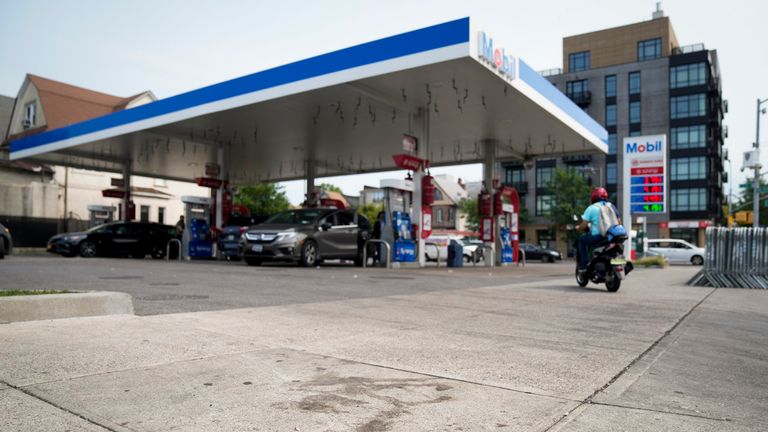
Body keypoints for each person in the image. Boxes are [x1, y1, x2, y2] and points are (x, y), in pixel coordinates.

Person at [577, 187, 621, 272]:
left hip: (599, 236)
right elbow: (619, 222)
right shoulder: (612, 206)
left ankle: (584, 264)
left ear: (593, 197)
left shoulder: (592, 208)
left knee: (581, 240)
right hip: (613, 236)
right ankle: (618, 262)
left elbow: (583, 225)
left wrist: (578, 227)